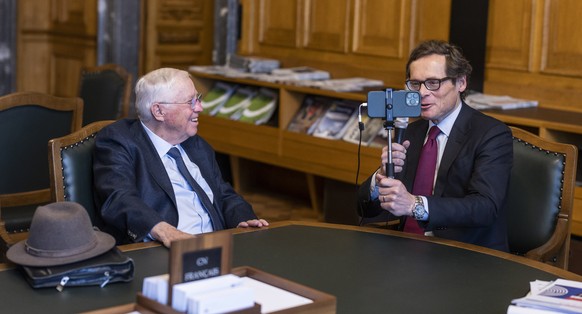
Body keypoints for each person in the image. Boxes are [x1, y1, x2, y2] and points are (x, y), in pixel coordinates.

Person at [357, 40, 513, 251]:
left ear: (461, 83)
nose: (421, 93)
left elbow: (485, 207)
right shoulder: (411, 131)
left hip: (464, 254)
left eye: (433, 83)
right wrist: (383, 175)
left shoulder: (491, 134)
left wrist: (414, 205)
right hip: (406, 250)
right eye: (415, 84)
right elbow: (363, 208)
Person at [93, 67, 268, 247]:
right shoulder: (119, 140)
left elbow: (223, 194)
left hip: (215, 245)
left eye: (198, 99)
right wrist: (163, 230)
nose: (200, 107)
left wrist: (243, 220)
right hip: (161, 248)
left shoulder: (197, 145)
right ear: (159, 111)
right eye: (190, 102)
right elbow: (119, 198)